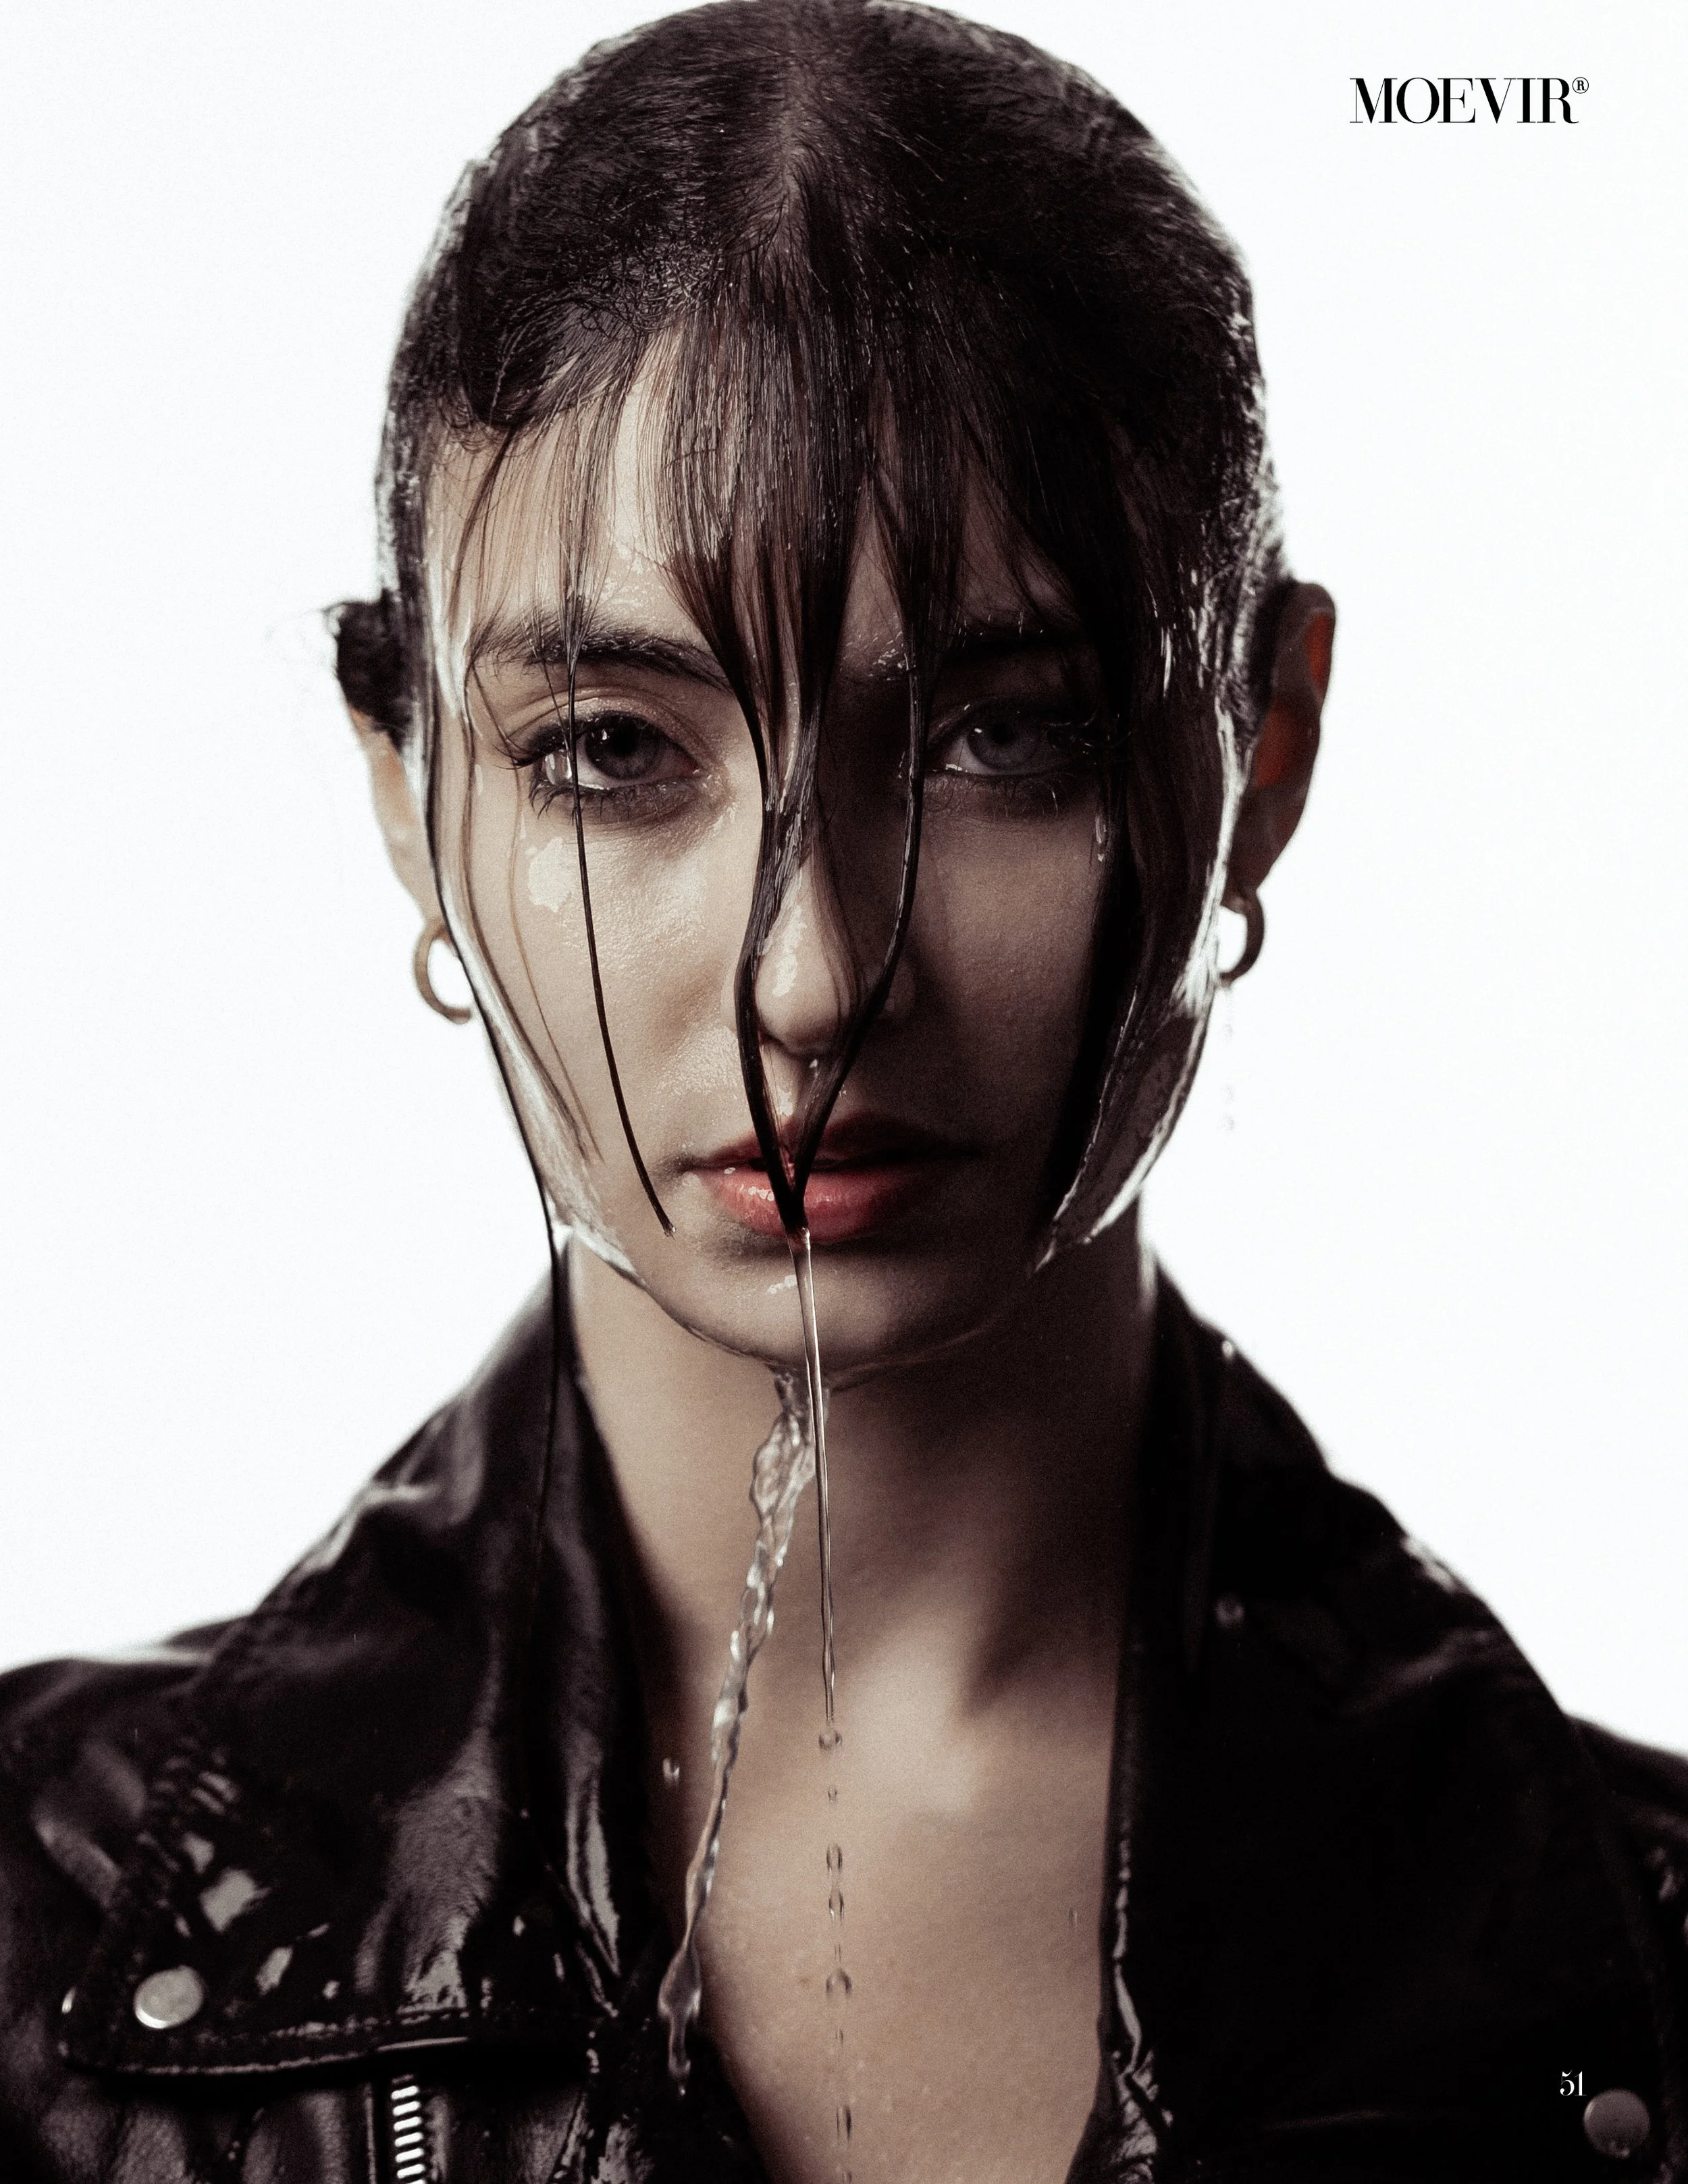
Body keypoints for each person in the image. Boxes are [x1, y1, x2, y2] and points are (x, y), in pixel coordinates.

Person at [1, 3, 1683, 2179]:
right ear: (407, 795)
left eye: (1005, 739)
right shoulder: (36, 1940)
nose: (808, 978)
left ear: (1260, 755)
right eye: (609, 749)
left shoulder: (1630, 1981)